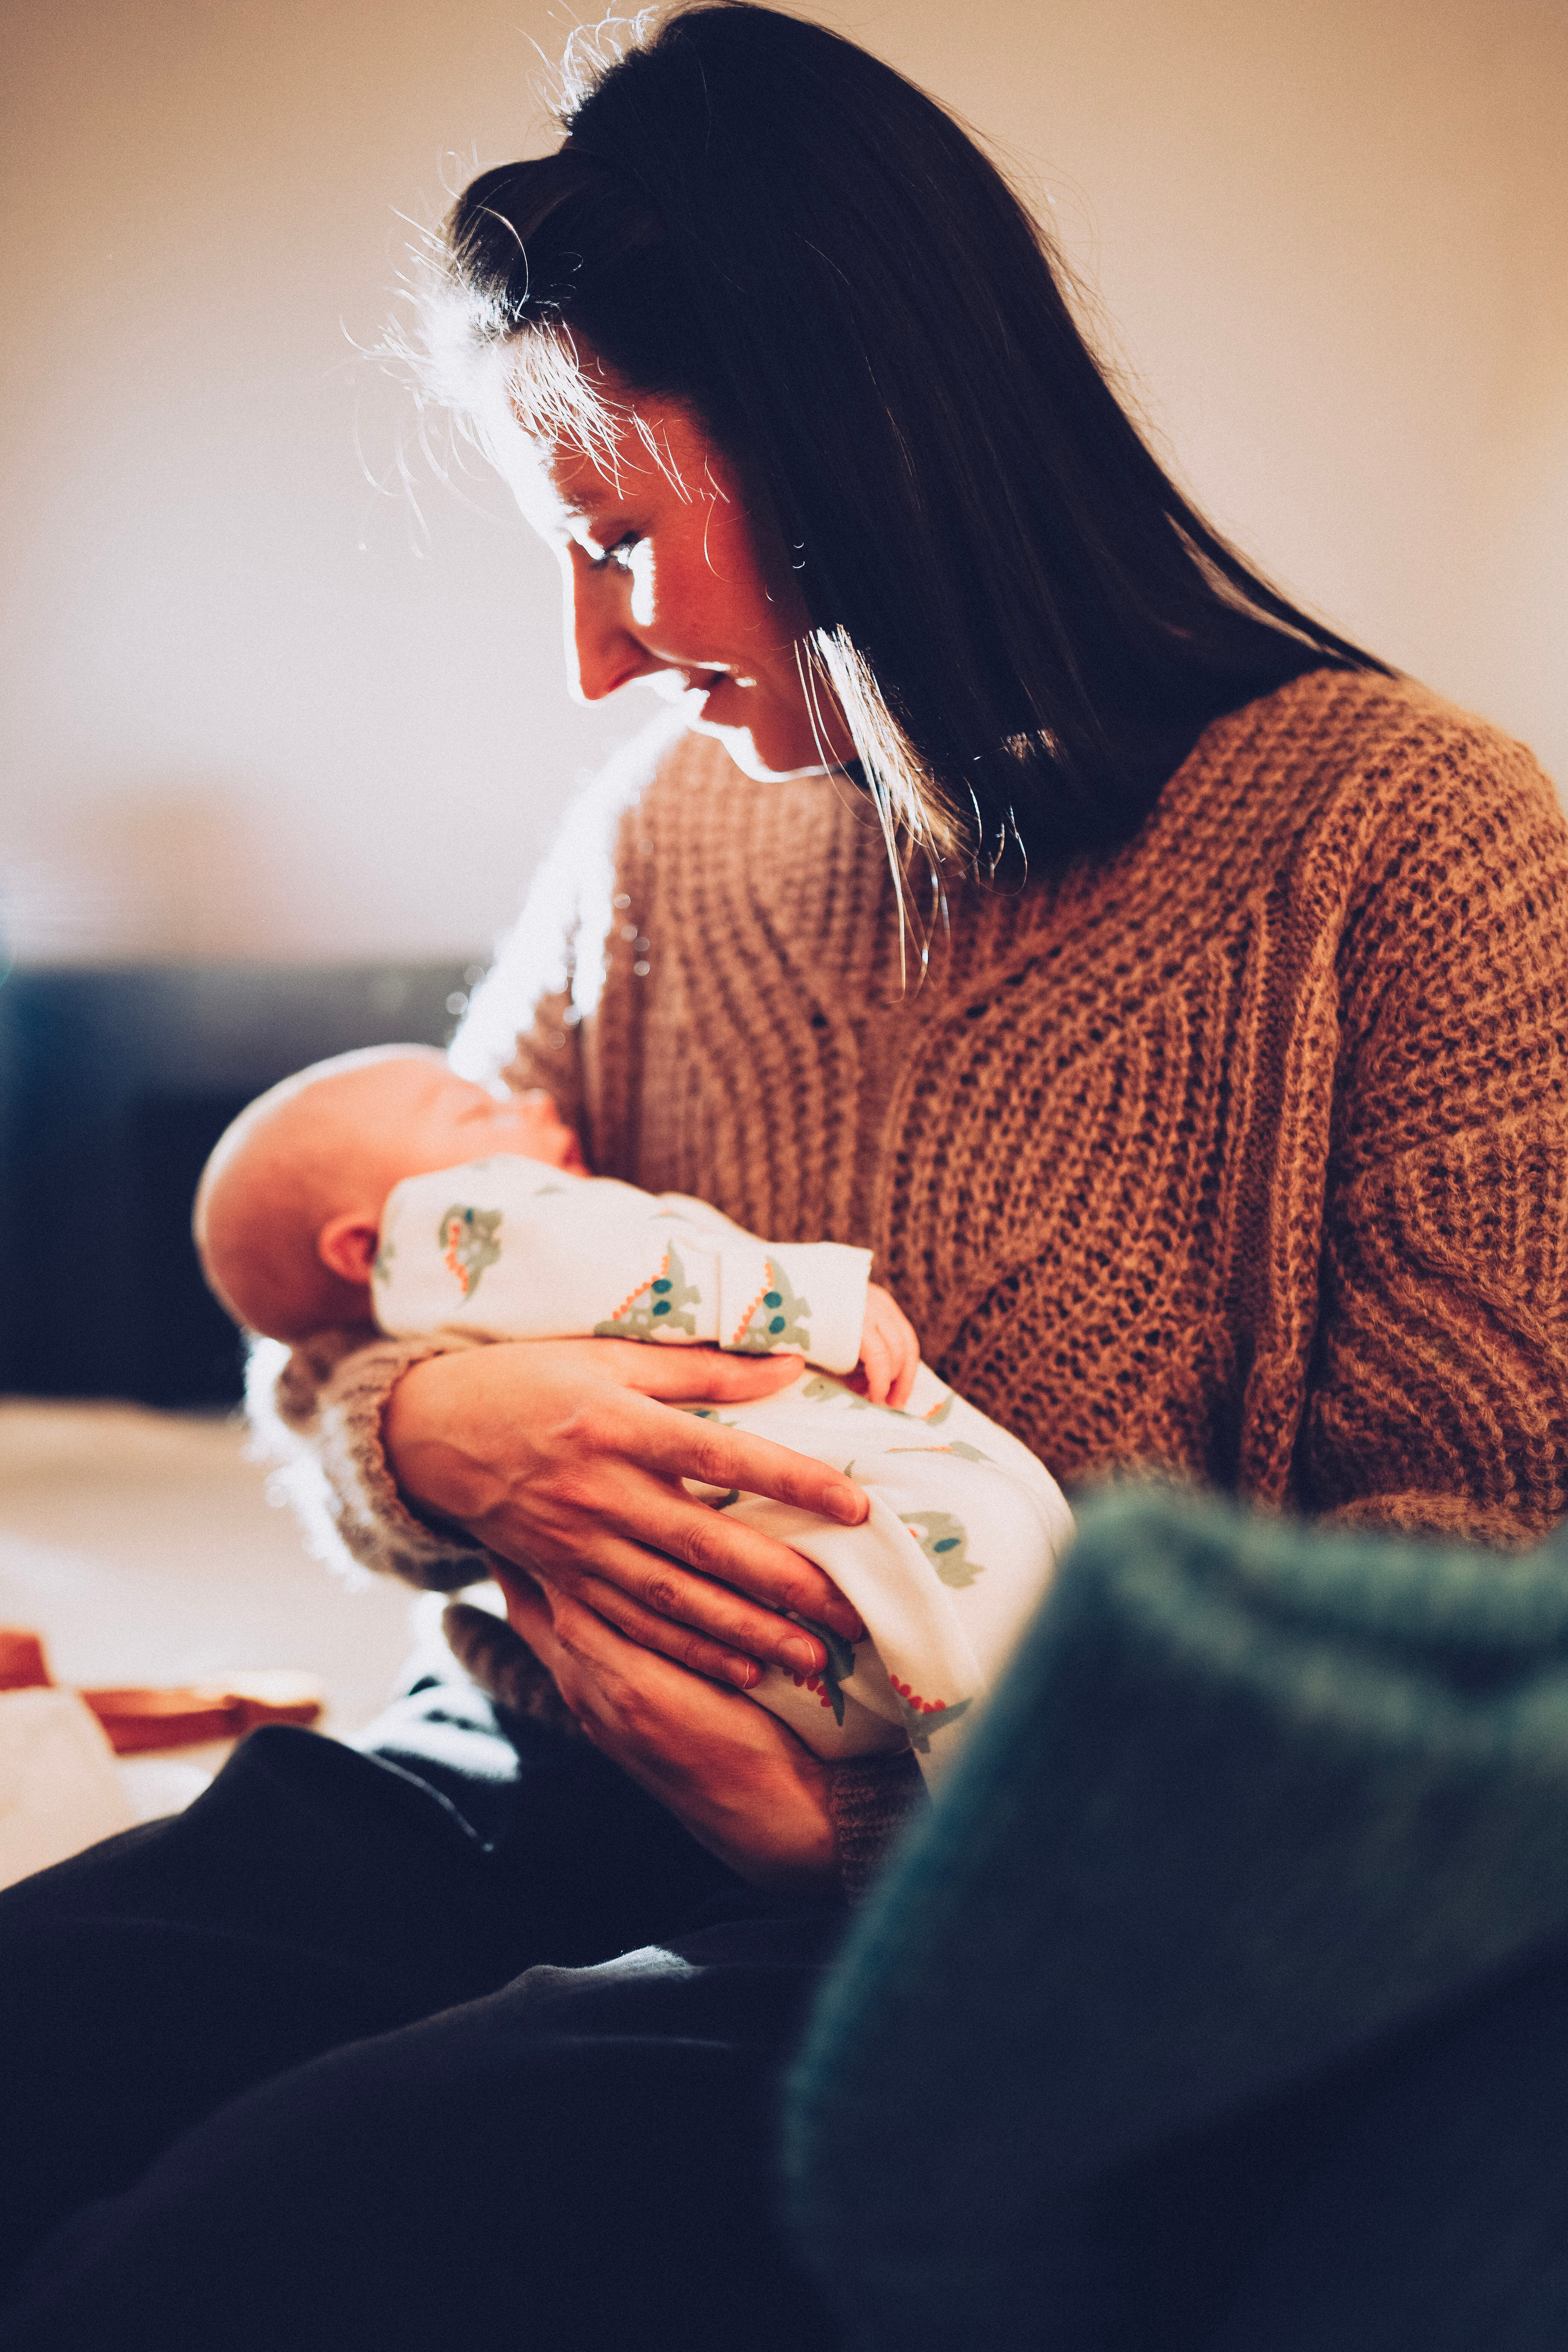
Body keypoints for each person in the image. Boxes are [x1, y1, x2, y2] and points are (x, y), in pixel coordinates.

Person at [2, 4, 1566, 2343]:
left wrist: (854, 1850)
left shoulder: (1413, 858)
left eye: (619, 539)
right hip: (499, 1766)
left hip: (957, 1949)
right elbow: (373, 1289)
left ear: (866, 441)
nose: (592, 654)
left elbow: (1458, 1689)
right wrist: (435, 1438)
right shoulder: (669, 831)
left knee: (221, 2259)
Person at [193, 1046, 1073, 1771]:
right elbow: (620, 1265)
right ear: (364, 1249)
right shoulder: (453, 1222)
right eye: (478, 1111)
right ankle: (1001, 1843)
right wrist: (816, 1301)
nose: (533, 1101)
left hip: (764, 1715)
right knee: (980, 1558)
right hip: (687, 1658)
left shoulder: (437, 1249)